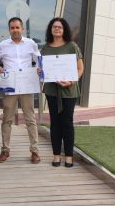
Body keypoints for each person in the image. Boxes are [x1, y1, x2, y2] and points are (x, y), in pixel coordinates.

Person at [40, 17, 84, 168]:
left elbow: (80, 68)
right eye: (54, 27)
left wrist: (71, 81)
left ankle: (69, 156)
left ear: (64, 29)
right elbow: (43, 69)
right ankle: (56, 155)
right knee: (55, 123)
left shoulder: (72, 46)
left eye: (59, 27)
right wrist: (41, 71)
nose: (57, 29)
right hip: (52, 91)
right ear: (50, 30)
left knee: (67, 123)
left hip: (69, 90)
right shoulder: (45, 48)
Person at [0, 17, 41, 164]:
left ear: (22, 28)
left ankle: (34, 150)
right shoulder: (3, 45)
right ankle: (5, 150)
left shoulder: (31, 43)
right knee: (7, 120)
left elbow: (39, 60)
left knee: (30, 119)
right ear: (9, 29)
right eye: (12, 28)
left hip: (27, 85)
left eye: (17, 27)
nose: (15, 30)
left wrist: (39, 68)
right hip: (10, 86)